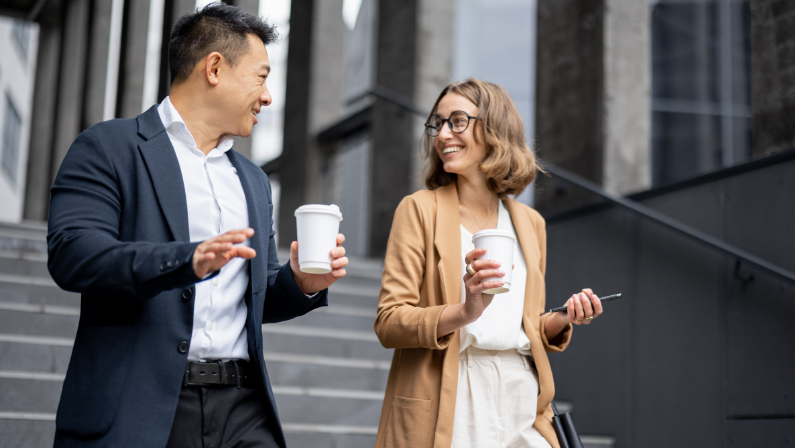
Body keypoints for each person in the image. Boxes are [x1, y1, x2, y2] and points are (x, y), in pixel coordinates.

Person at [46, 4, 347, 447]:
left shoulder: (254, 180)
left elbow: (253, 296)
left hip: (244, 409)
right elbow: (74, 254)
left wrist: (300, 283)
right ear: (214, 68)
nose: (267, 97)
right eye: (262, 77)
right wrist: (186, 259)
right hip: (144, 408)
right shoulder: (109, 148)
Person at [373, 79, 604, 448]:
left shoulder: (531, 223)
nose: (443, 134)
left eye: (458, 121)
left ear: (495, 128)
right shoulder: (419, 209)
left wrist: (562, 319)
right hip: (453, 388)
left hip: (522, 392)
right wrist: (464, 312)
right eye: (438, 123)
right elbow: (389, 322)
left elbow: (524, 324)